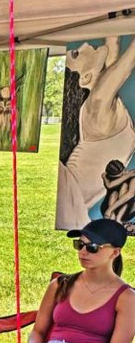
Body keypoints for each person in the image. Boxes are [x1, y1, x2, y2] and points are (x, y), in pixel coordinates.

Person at [0, 218, 135, 343]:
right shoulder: (61, 284)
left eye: (92, 247)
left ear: (115, 252)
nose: (83, 252)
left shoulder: (127, 298)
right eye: (80, 245)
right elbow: (38, 330)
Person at [57, 36, 135, 230]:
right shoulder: (97, 105)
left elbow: (112, 40)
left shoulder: (100, 101)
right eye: (76, 54)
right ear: (86, 78)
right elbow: (131, 56)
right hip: (70, 194)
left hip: (73, 196)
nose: (83, 44)